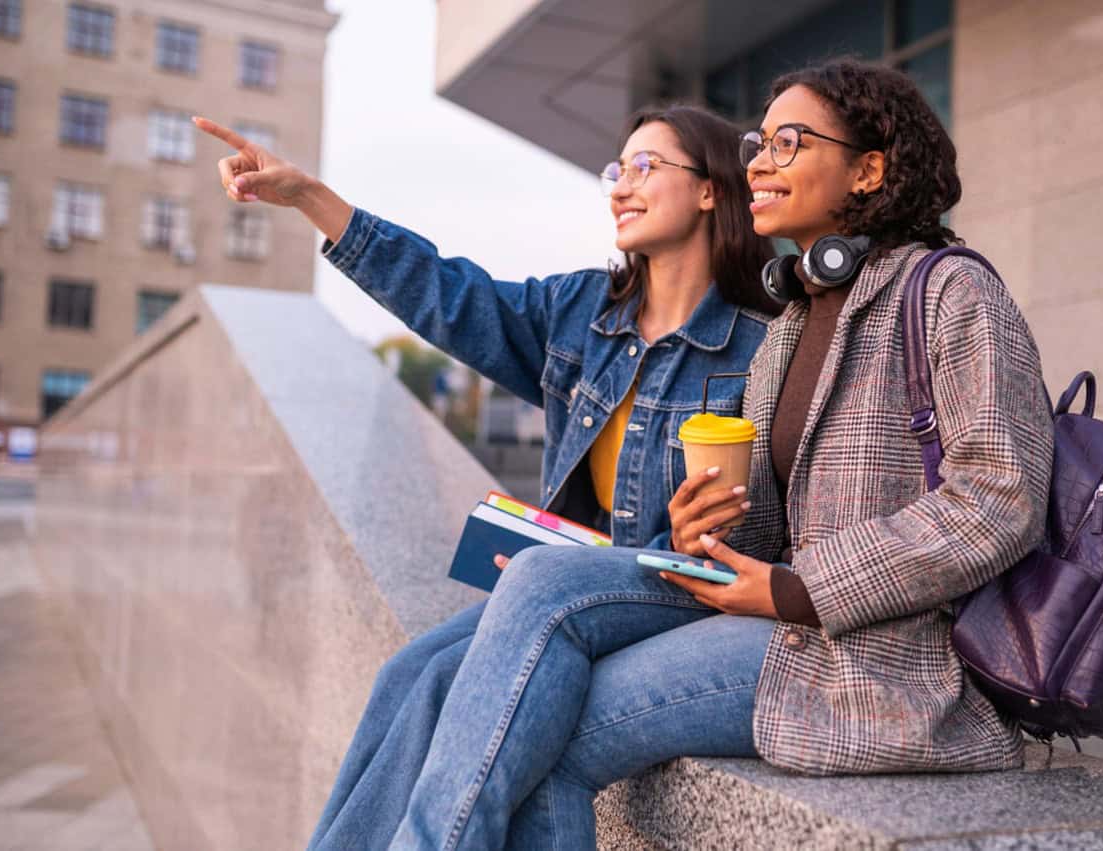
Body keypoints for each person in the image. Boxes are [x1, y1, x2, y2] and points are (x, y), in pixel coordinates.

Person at [357, 57, 1055, 850]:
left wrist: (799, 587)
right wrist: (706, 529)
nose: (759, 159)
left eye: (789, 143)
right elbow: (772, 530)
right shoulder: (795, 320)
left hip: (881, 660)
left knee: (536, 681)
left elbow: (1000, 498)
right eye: (760, 141)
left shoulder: (951, 292)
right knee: (532, 663)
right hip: (785, 625)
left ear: (868, 169)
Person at [193, 104, 777, 849]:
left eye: (644, 167)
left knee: (505, 657)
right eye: (614, 170)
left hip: (682, 591)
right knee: (412, 675)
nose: (619, 188)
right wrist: (310, 197)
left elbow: (773, 518)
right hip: (582, 583)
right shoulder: (582, 312)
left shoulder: (758, 345)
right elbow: (449, 295)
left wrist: (625, 552)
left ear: (708, 191)